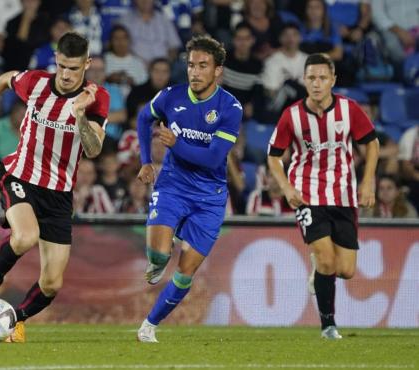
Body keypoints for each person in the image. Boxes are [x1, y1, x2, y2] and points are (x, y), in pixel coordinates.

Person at [0, 31, 110, 343]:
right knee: (25, 236)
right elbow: (6, 78)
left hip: (59, 194)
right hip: (22, 177)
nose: (68, 75)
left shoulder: (97, 98)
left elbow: (94, 149)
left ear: (87, 64)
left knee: (52, 284)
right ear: (55, 61)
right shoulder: (37, 83)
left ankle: (13, 320)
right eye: (62, 67)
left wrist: (80, 116)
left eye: (74, 68)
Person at [135, 35, 243, 342]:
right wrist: (146, 161)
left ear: (218, 71)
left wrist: (176, 143)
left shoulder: (230, 108)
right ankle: (159, 258)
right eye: (191, 65)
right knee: (157, 255)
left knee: (185, 272)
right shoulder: (171, 96)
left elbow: (212, 159)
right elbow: (145, 117)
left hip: (209, 199)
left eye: (203, 66)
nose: (194, 72)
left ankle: (149, 326)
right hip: (173, 186)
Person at [267, 53, 379, 340]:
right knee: (328, 262)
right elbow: (274, 157)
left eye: (322, 78)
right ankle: (328, 325)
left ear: (333, 80)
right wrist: (287, 187)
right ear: (304, 80)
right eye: (311, 78)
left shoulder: (348, 109)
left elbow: (372, 143)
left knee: (346, 270)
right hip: (307, 195)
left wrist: (367, 183)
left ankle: (318, 269)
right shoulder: (291, 115)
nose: (316, 84)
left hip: (343, 195)